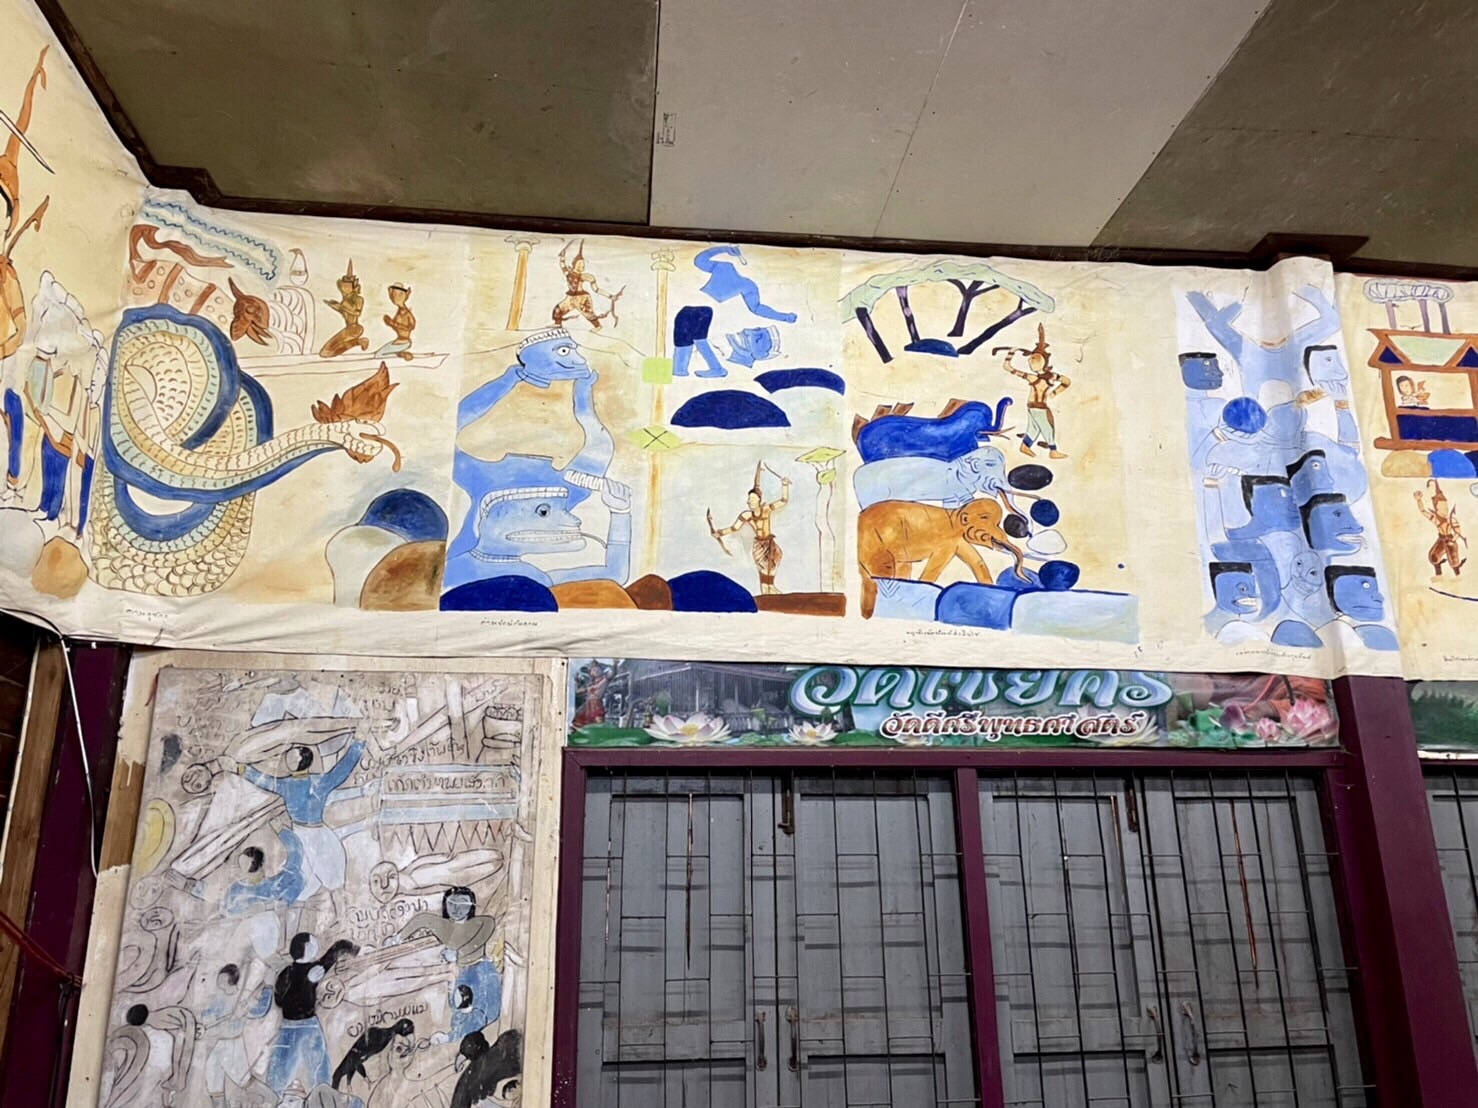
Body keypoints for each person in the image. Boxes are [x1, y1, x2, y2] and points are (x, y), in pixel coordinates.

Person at [224, 740, 365, 898]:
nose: (288, 759)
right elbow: (265, 781)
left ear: (303, 761)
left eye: (293, 757)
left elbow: (343, 769)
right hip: (302, 833)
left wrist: (358, 743)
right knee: (304, 883)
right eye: (289, 756)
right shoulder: (292, 784)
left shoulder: (313, 782)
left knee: (331, 876)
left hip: (316, 834)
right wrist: (239, 769)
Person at [386, 886, 502, 1041]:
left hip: (480, 968)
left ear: (471, 905)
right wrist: (397, 938)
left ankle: (456, 1038)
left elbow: (486, 930)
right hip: (461, 972)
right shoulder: (444, 926)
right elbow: (422, 919)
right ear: (445, 905)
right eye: (452, 903)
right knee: (459, 1009)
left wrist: (458, 953)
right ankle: (455, 1037)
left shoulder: (480, 922)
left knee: (484, 1008)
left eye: (463, 903)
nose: (457, 908)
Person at [261, 932, 359, 1092]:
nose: (317, 946)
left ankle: (320, 1096)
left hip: (295, 1026)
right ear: (306, 948)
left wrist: (354, 949)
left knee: (304, 1068)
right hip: (303, 1027)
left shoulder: (293, 971)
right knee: (309, 1068)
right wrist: (307, 982)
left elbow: (334, 952)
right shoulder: (300, 971)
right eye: (314, 943)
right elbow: (281, 1000)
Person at [710, 465, 790, 594]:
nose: (749, 502)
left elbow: (783, 501)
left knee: (770, 578)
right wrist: (719, 533)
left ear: (759, 499)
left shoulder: (766, 509)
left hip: (770, 544)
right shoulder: (747, 515)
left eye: (752, 499)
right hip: (759, 547)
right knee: (764, 581)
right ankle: (767, 597)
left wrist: (784, 485)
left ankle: (772, 595)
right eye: (748, 499)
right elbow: (734, 528)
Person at [1003, 324, 1070, 458]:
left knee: (1034, 429)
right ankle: (1053, 451)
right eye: (1031, 360)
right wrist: (1010, 353)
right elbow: (1007, 367)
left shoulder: (1049, 376)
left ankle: (1025, 446)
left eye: (1034, 359)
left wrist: (1055, 393)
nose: (1031, 362)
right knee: (1047, 428)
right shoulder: (1034, 377)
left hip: (1037, 407)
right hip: (1037, 408)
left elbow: (1066, 381)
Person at [1417, 480, 1467, 576]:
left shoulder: (1451, 519)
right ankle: (1438, 572)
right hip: (1441, 539)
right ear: (1437, 509)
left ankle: (1458, 574)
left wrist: (1452, 540)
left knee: (1454, 560)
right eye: (1442, 507)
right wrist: (1419, 500)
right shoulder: (1436, 519)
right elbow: (1423, 511)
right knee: (1433, 556)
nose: (1445, 509)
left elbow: (1458, 532)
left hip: (1450, 540)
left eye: (1446, 507)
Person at [320, 261, 369, 358]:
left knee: (326, 352)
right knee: (326, 352)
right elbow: (344, 311)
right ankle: (358, 342)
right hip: (349, 328)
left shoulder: (358, 299)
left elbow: (357, 313)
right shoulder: (345, 300)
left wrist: (342, 306)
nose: (345, 288)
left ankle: (359, 342)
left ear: (354, 287)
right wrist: (335, 305)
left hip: (354, 328)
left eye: (348, 286)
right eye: (343, 285)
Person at [375, 283, 416, 361]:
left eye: (397, 295)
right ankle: (399, 353)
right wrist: (389, 323)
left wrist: (393, 323)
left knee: (378, 355)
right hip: (398, 341)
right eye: (393, 294)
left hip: (404, 342)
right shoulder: (399, 312)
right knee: (378, 353)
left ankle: (401, 354)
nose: (393, 297)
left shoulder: (407, 313)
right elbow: (395, 326)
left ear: (403, 295)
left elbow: (410, 327)